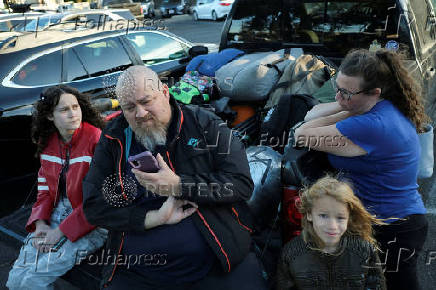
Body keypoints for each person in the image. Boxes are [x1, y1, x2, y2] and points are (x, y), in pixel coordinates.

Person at [82, 65, 267, 290]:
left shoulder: (205, 125)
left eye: (146, 101)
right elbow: (94, 205)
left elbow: (240, 184)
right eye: (130, 107)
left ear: (165, 93)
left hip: (215, 259)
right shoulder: (114, 137)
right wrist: (154, 217)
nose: (140, 113)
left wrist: (179, 185)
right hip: (138, 272)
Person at [294, 49, 429, 290]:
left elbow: (302, 134)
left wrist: (347, 111)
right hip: (390, 221)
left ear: (375, 93)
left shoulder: (371, 125)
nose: (338, 97)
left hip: (394, 228)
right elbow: (311, 113)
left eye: (346, 92)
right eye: (338, 88)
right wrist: (350, 104)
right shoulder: (382, 106)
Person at [6, 85, 108, 289]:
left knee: (32, 281)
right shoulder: (49, 142)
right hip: (56, 214)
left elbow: (102, 199)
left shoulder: (97, 140)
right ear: (50, 116)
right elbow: (44, 189)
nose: (73, 114)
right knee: (16, 280)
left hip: (92, 222)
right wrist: (40, 224)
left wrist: (60, 231)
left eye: (75, 107)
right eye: (64, 110)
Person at [276, 175, 386, 290]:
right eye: (323, 216)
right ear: (309, 214)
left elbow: (377, 286)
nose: (332, 226)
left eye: (340, 218)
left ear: (349, 217)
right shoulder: (291, 254)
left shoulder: (364, 250)